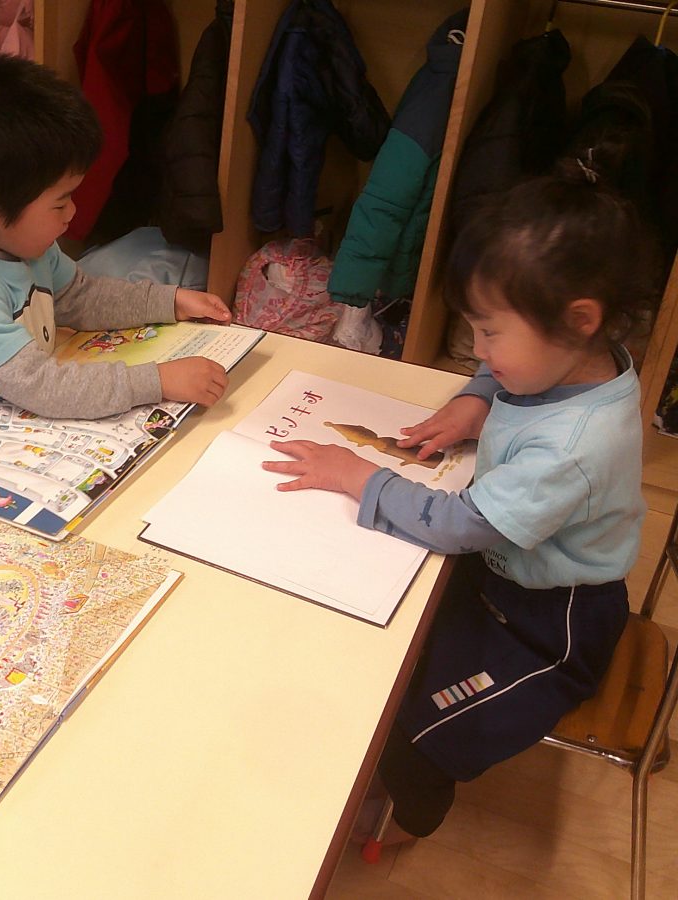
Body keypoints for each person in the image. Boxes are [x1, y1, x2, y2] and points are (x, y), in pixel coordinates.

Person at [262, 155, 660, 841]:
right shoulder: (577, 358)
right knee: (380, 641)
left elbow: (461, 524)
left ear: (580, 320)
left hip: (553, 623)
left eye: (491, 333)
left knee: (423, 729)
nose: (478, 348)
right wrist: (478, 397)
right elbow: (505, 376)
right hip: (503, 574)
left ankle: (407, 816)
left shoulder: (576, 446)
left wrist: (359, 476)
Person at [0, 54, 232, 457]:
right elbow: (43, 386)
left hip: (13, 410)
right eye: (60, 202)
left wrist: (170, 301)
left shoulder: (16, 238)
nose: (72, 212)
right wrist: (158, 380)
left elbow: (79, 296)